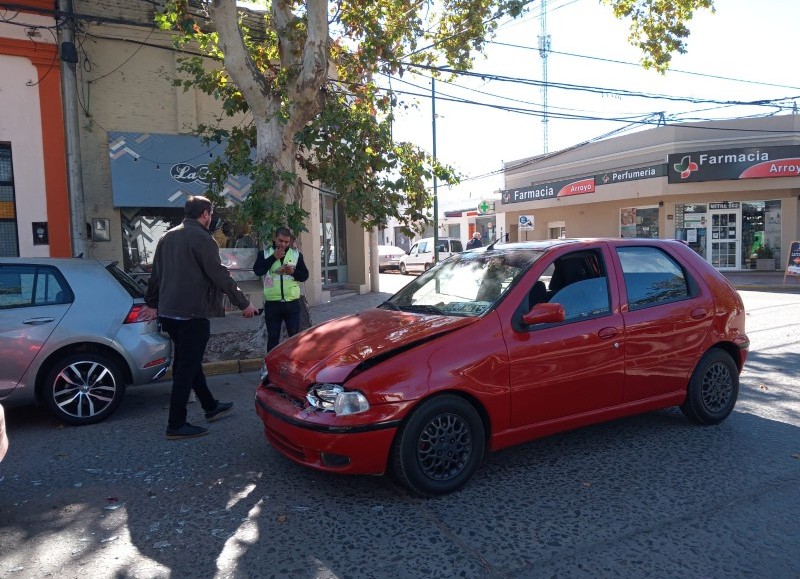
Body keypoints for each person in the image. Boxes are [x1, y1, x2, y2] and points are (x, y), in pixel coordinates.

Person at [141, 196, 259, 440]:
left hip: (170, 313)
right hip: (192, 313)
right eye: (211, 213)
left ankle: (210, 406)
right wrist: (244, 303)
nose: (211, 217)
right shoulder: (203, 239)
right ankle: (176, 424)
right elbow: (220, 275)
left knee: (189, 362)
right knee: (185, 368)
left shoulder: (167, 236)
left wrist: (152, 303)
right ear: (205, 214)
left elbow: (156, 275)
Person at [253, 227, 310, 352]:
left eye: (286, 242)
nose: (283, 244)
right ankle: (271, 368)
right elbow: (258, 271)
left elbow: (304, 276)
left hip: (292, 303)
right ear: (275, 238)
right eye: (280, 241)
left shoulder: (296, 255)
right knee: (273, 338)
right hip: (273, 303)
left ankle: (293, 366)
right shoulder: (264, 254)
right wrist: (274, 257)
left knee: (295, 338)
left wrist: (293, 271)